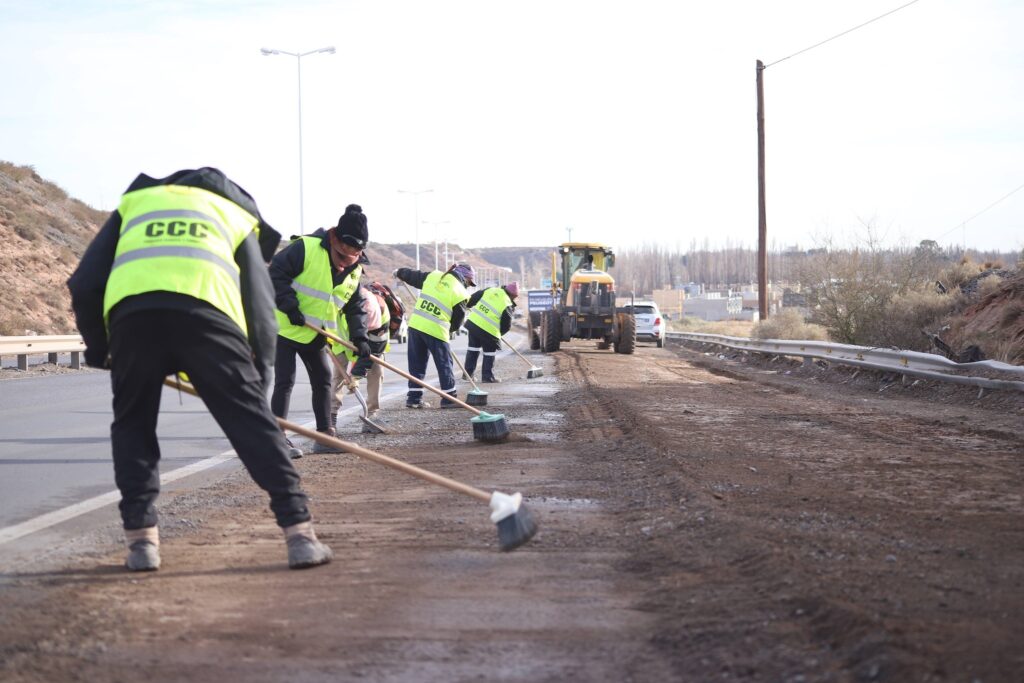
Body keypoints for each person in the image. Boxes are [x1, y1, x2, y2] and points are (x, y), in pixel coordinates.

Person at [66, 167, 332, 571]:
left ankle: (141, 543)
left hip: (134, 321)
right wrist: (258, 381)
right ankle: (300, 535)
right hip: (208, 319)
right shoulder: (231, 213)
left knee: (133, 424)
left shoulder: (136, 204)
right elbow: (260, 305)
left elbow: (84, 284)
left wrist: (102, 350)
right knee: (251, 426)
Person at [269, 204, 371, 455]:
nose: (347, 259)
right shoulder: (306, 248)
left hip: (316, 332)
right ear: (336, 240)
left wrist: (360, 337)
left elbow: (354, 306)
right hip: (285, 326)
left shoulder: (355, 270)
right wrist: (289, 306)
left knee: (323, 381)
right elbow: (275, 274)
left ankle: (325, 437)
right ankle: (276, 440)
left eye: (355, 253)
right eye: (344, 252)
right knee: (285, 381)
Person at [394, 262, 475, 408]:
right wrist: (448, 331)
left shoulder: (434, 276)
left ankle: (414, 399)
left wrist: (399, 272)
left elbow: (413, 276)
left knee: (416, 364)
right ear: (465, 278)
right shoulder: (461, 293)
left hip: (416, 326)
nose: (469, 286)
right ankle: (449, 399)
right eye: (469, 282)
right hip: (437, 331)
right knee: (444, 365)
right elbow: (457, 322)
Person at [329, 283, 390, 428]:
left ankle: (372, 414)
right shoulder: (341, 304)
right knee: (338, 377)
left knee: (377, 371)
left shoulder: (382, 313)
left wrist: (356, 375)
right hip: (341, 341)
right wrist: (327, 341)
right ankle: (331, 416)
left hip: (369, 344)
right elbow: (326, 324)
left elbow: (376, 347)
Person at [463, 281, 518, 383]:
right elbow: (506, 326)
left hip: (474, 324)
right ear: (513, 295)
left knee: (473, 349)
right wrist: (498, 334)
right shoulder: (507, 303)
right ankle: (487, 377)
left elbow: (471, 299)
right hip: (489, 331)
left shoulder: (490, 290)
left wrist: (468, 306)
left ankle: (468, 375)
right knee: (489, 353)